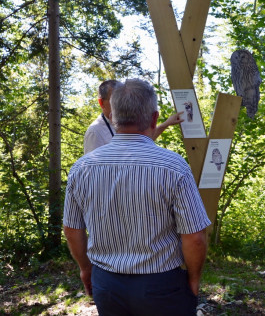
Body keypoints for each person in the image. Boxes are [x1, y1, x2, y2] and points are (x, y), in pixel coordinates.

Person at [64, 79, 211, 315]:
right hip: (162, 287)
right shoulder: (174, 167)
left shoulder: (82, 168)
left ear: (114, 117)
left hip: (107, 284)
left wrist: (85, 268)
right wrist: (194, 279)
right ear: (154, 119)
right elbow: (194, 237)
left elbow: (72, 229)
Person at [84, 79, 184, 154]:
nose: (120, 103)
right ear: (101, 103)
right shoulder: (95, 132)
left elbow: (141, 141)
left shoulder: (126, 120)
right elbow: (92, 166)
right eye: (114, 100)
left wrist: (166, 123)